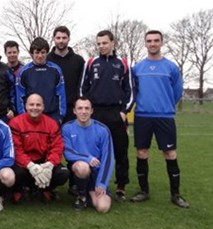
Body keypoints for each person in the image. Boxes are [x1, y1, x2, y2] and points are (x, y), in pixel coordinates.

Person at [130, 30, 189, 208]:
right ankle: (144, 191)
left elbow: (177, 92)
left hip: (165, 117)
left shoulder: (171, 67)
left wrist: (165, 106)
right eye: (149, 41)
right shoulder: (137, 69)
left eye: (156, 40)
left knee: (170, 154)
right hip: (142, 117)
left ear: (161, 43)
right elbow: (134, 92)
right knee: (141, 153)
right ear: (145, 43)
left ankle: (175, 194)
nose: (153, 44)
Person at [80, 30, 134, 202]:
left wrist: (124, 111)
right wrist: (87, 109)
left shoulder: (123, 63)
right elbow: (82, 89)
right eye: (99, 43)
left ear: (113, 43)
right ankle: (93, 184)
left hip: (116, 113)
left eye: (105, 43)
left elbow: (130, 90)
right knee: (94, 151)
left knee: (120, 151)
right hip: (96, 113)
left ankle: (121, 187)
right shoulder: (91, 63)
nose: (101, 46)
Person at [9, 94, 68, 202]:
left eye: (38, 105)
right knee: (15, 173)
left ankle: (46, 188)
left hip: (43, 161)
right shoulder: (15, 123)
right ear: (26, 106)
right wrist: (30, 166)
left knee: (63, 173)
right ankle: (19, 189)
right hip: (24, 163)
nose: (35, 108)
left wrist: (49, 164)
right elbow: (16, 150)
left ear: (43, 107)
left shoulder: (51, 124)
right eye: (31, 104)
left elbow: (57, 147)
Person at [62, 97, 114, 213]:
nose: (83, 111)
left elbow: (108, 159)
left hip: (96, 173)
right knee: (82, 167)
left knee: (102, 208)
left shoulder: (102, 130)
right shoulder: (67, 128)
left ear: (92, 111)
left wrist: (102, 183)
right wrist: (87, 158)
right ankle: (82, 196)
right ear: (74, 111)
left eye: (87, 108)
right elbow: (67, 152)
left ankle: (90, 192)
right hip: (80, 169)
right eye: (80, 108)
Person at [15, 37, 66, 123]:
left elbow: (61, 95)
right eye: (37, 52)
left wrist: (61, 116)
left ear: (47, 53)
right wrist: (23, 116)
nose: (40, 56)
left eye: (43, 52)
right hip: (31, 116)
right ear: (32, 53)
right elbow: (20, 97)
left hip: (52, 116)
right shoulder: (23, 71)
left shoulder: (55, 69)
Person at [47, 25, 86, 124]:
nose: (61, 41)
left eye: (64, 38)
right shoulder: (47, 60)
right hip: (52, 110)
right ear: (53, 39)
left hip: (72, 109)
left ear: (69, 39)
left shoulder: (78, 61)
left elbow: (83, 85)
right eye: (58, 38)